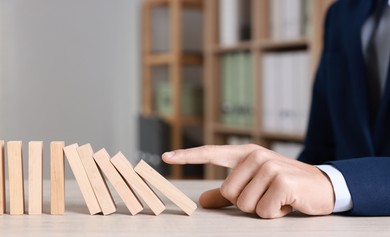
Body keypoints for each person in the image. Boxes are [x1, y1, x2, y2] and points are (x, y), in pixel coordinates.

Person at [162, 0, 390, 219]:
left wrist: (335, 183)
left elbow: (331, 178)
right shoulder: (341, 13)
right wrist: (281, 180)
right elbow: (321, 147)